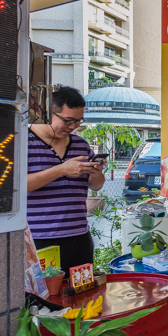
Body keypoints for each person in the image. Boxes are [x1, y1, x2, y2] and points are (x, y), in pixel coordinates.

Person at [27, 87, 105, 273]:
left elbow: (96, 185)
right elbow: (17, 186)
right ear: (45, 113)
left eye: (78, 121)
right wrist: (61, 170)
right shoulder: (24, 142)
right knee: (47, 296)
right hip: (40, 238)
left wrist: (96, 174)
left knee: (82, 293)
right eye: (68, 121)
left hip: (79, 235)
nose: (73, 127)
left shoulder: (81, 144)